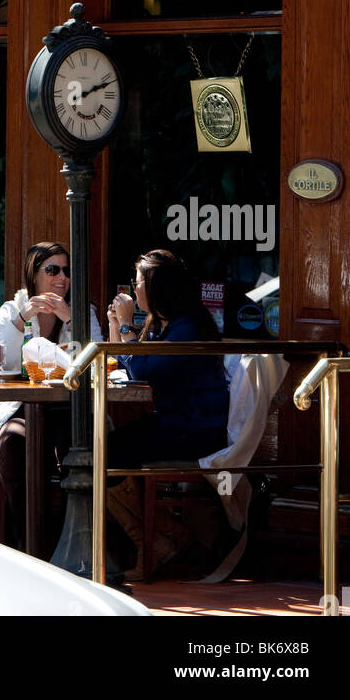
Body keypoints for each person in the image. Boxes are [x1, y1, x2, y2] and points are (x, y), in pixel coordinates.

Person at [106, 248, 230, 581]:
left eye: (138, 284)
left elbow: (145, 370)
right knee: (105, 449)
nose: (133, 290)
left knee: (106, 452)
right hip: (177, 422)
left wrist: (129, 325)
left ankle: (161, 541)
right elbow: (123, 361)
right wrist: (116, 325)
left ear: (157, 287)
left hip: (194, 429)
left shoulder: (186, 327)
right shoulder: (167, 324)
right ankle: (166, 537)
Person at [0, 242, 102, 546]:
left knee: (75, 449)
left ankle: (70, 541)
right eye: (52, 270)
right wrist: (21, 320)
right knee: (13, 443)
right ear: (34, 274)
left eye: (67, 271)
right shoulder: (11, 310)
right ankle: (30, 541)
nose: (62, 278)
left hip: (69, 409)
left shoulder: (83, 311)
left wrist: (71, 319)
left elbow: (96, 363)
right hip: (22, 407)